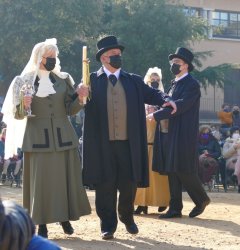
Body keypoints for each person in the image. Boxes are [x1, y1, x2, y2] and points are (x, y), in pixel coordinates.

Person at [82, 35, 176, 240]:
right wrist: (78, 95)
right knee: (105, 185)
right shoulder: (90, 82)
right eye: (114, 54)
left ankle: (127, 216)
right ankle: (107, 224)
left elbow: (155, 95)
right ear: (104, 58)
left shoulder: (132, 80)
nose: (118, 57)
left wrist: (167, 100)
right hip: (103, 144)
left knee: (128, 183)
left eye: (119, 54)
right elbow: (77, 104)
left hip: (129, 143)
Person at [1, 38, 91, 238]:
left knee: (65, 181)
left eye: (54, 56)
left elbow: (70, 109)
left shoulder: (63, 80)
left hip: (64, 138)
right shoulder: (23, 81)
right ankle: (41, 224)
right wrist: (24, 104)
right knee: (40, 184)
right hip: (37, 139)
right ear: (38, 58)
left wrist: (80, 97)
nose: (52, 60)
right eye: (48, 57)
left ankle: (65, 218)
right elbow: (17, 115)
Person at [149, 47, 210, 219]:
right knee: (171, 169)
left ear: (186, 66)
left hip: (182, 134)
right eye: (173, 62)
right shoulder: (174, 83)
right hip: (168, 132)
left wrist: (156, 115)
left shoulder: (191, 84)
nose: (173, 65)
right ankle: (175, 208)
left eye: (177, 62)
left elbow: (180, 106)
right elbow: (167, 103)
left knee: (184, 169)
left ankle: (202, 199)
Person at [134, 67, 170, 215]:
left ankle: (162, 201)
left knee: (158, 175)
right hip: (143, 141)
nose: (154, 82)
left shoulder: (163, 99)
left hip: (158, 142)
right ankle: (142, 204)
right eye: (152, 80)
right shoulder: (139, 99)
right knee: (143, 174)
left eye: (157, 80)